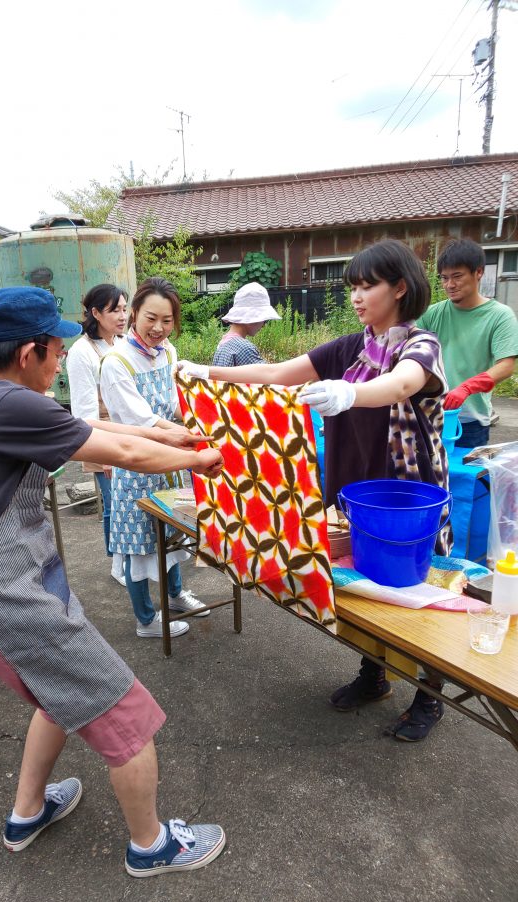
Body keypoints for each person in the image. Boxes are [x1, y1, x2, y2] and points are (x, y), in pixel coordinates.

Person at [0, 285, 227, 877]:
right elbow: (119, 455)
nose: (62, 362)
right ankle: (151, 845)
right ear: (30, 351)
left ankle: (28, 811)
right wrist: (197, 460)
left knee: (58, 699)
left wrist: (167, 436)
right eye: (57, 351)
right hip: (8, 600)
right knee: (124, 709)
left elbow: (87, 430)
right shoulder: (8, 404)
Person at [180, 240, 451, 741]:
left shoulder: (420, 344)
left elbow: (401, 385)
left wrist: (350, 392)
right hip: (351, 491)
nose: (356, 295)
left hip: (404, 495)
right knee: (362, 591)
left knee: (414, 591)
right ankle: (375, 675)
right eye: (352, 286)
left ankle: (429, 696)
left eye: (367, 284)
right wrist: (207, 371)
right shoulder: (348, 348)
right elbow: (275, 375)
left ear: (400, 288)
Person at [99, 277, 211, 640]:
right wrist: (180, 433)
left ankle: (176, 595)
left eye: (167, 320)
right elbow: (138, 420)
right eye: (150, 318)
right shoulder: (117, 362)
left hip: (173, 460)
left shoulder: (170, 352)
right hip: (138, 462)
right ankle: (146, 619)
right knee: (139, 545)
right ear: (133, 313)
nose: (159, 329)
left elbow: (178, 401)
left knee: (173, 536)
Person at [417, 238, 518, 450]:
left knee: (464, 480)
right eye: (444, 278)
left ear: (478, 272)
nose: (449, 285)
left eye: (457, 276)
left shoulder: (500, 316)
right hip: (429, 415)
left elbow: (506, 366)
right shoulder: (432, 314)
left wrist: (467, 387)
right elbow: (408, 349)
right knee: (427, 480)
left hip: (471, 422)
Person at [66, 284, 128, 586]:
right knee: (114, 502)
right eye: (114, 310)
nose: (123, 316)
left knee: (124, 501)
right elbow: (84, 413)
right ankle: (119, 566)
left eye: (125, 309)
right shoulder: (81, 351)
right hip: (100, 433)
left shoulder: (123, 342)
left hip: (127, 431)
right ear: (95, 313)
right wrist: (104, 454)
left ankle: (126, 561)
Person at [212, 281, 277, 367]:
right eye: (264, 320)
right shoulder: (244, 348)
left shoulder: (223, 343)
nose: (263, 325)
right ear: (252, 317)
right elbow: (268, 376)